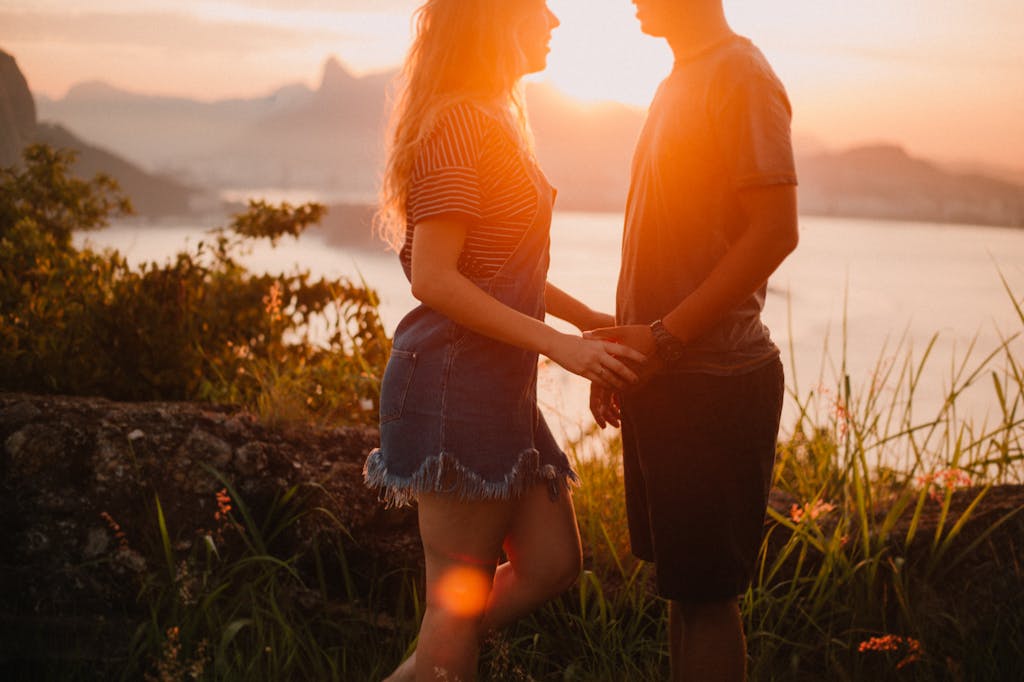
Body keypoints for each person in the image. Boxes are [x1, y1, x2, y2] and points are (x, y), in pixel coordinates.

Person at [363, 1, 646, 680]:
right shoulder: (460, 123)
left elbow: (502, 268)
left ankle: (435, 653)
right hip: (453, 386)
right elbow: (434, 277)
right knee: (451, 621)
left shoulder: (494, 116)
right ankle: (438, 653)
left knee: (551, 564)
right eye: (539, 9)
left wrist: (588, 323)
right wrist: (561, 347)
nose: (554, 22)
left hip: (494, 387)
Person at [588, 1, 799, 680]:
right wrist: (624, 352)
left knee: (707, 599)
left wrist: (661, 339)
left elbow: (775, 231)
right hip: (666, 375)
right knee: (682, 594)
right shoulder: (678, 79)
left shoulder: (741, 74)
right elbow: (659, 248)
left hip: (714, 381)